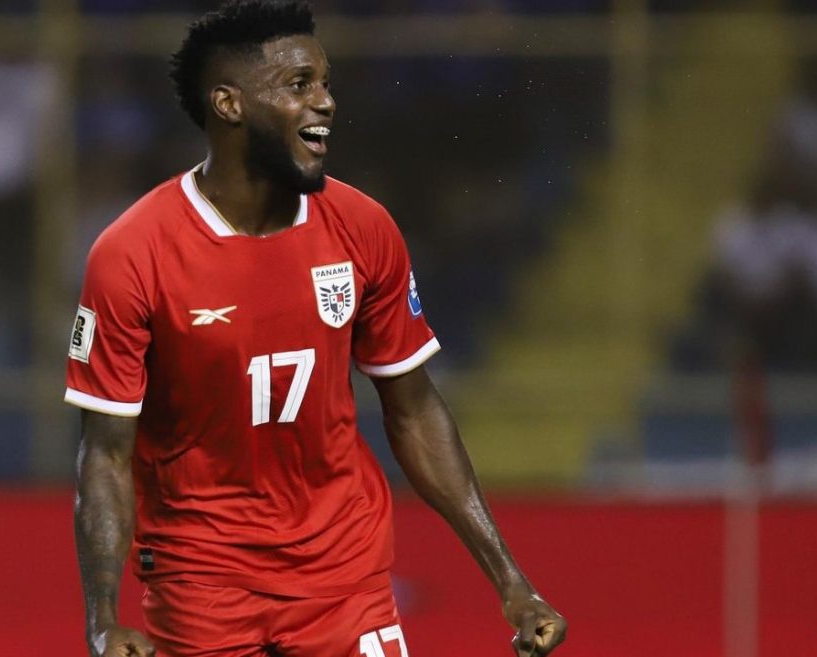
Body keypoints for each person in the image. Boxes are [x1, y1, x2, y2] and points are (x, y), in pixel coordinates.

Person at [66, 2, 566, 656]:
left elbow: (414, 409)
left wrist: (512, 582)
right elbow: (105, 454)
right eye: (298, 84)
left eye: (325, 83)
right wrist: (103, 618)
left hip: (344, 575)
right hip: (202, 581)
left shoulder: (364, 228)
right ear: (229, 104)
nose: (325, 102)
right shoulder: (133, 253)